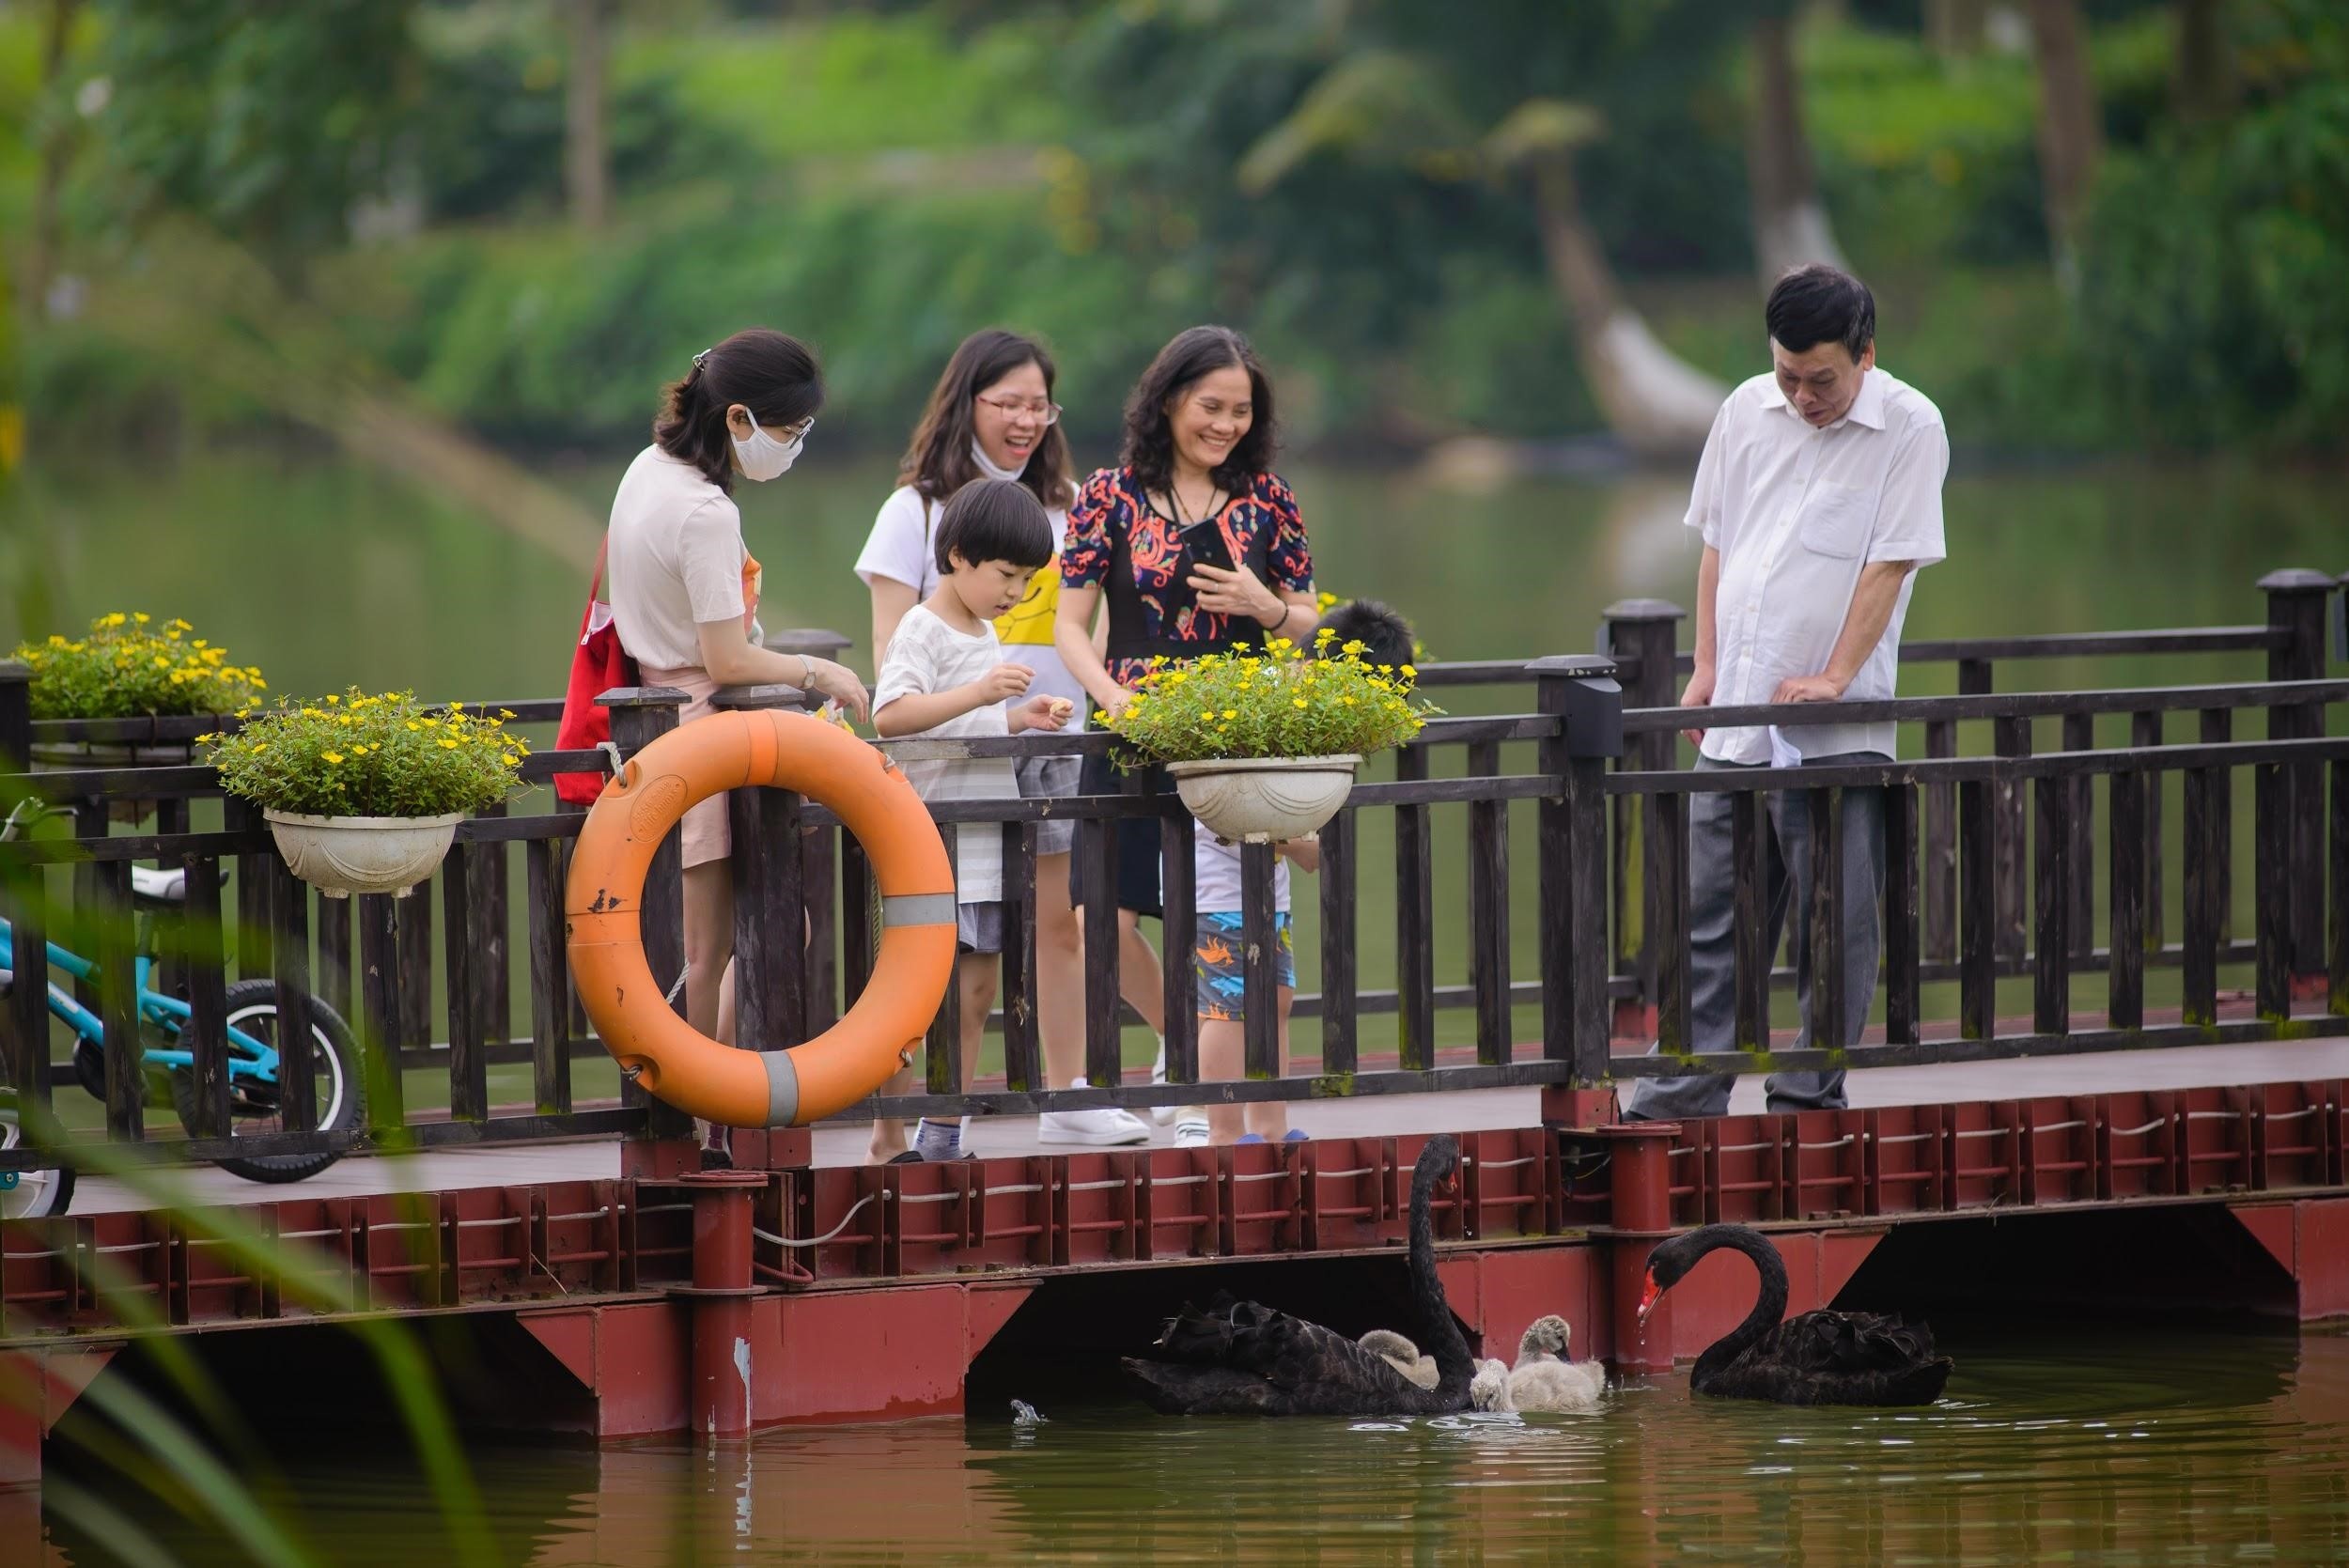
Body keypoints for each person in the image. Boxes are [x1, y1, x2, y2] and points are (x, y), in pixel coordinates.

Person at [1624, 264, 1949, 1122]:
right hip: (1736, 713)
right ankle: (1682, 1095)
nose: (1804, 395)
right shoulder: (1744, 411)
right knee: (1708, 918)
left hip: (1836, 728)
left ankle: (1807, 1098)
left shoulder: (1911, 426)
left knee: (1832, 924)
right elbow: (1719, 546)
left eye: (1823, 380)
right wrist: (1705, 667)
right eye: (1789, 376)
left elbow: (1891, 563)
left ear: (1867, 356)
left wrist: (1837, 676)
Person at [854, 329, 1149, 1155]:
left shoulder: (1068, 498)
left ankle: (1066, 1091)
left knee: (1058, 925)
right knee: (936, 957)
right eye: (1007, 402)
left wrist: (1036, 712)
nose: (1025, 419)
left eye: (1038, 404)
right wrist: (978, 703)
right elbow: (892, 667)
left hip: (1044, 748)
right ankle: (900, 1125)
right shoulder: (915, 507)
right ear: (966, 401)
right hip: (954, 770)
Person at [603, 330, 872, 1156]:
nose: (791, 449)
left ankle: (698, 1111)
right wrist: (815, 673)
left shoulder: (649, 470)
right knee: (716, 948)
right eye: (789, 434)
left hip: (647, 729)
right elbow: (725, 658)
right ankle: (708, 1118)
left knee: (695, 942)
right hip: (699, 737)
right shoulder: (705, 510)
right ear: (741, 417)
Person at [1054, 325, 1320, 1114]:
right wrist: (1111, 695)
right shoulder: (1110, 494)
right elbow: (1070, 624)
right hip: (1130, 719)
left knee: (1230, 918)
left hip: (1230, 729)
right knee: (1100, 911)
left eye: (1241, 411)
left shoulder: (1268, 498)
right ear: (1170, 400)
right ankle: (1189, 1044)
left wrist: (1264, 605)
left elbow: (1308, 618)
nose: (1226, 425)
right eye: (1211, 406)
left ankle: (1215, 1086)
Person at [870, 479, 1075, 1163]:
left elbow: (968, 721)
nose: (1014, 593)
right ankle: (890, 1131)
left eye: (1025, 579)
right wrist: (981, 690)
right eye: (1006, 574)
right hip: (932, 843)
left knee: (978, 988)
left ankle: (944, 1130)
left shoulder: (984, 630)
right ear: (957, 556)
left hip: (984, 845)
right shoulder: (922, 628)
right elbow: (891, 716)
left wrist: (1021, 716)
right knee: (917, 995)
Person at [1175, 598, 1416, 1147]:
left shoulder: (1305, 704)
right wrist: (1296, 843)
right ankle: (1224, 1132)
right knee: (1227, 1007)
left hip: (1266, 880)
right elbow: (1218, 799)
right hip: (1217, 880)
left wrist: (1290, 844)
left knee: (1275, 1000)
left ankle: (1271, 1127)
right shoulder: (1260, 700)